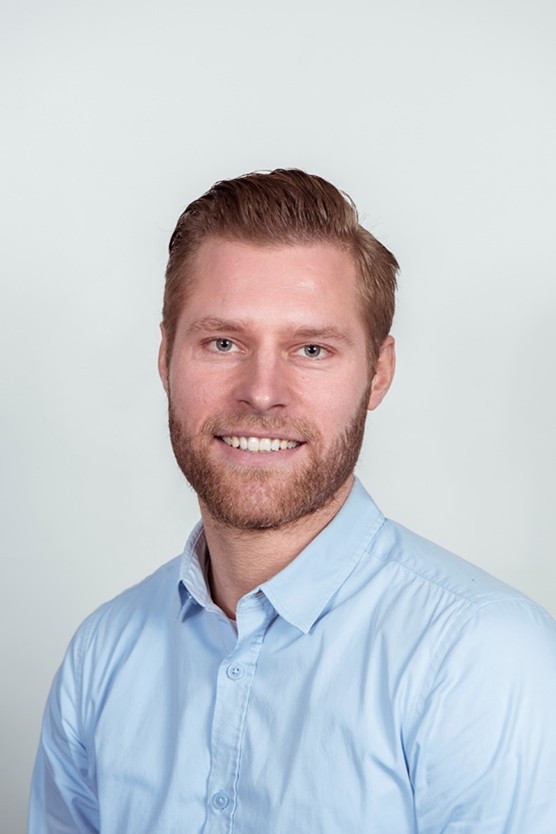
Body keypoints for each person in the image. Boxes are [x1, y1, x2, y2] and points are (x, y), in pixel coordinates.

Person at [30, 169, 556, 834]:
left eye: (311, 349)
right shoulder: (102, 654)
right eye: (223, 343)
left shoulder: (481, 657)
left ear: (378, 374)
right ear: (166, 357)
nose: (261, 392)